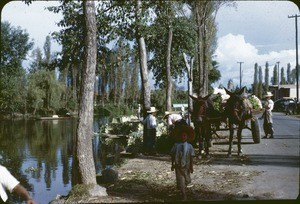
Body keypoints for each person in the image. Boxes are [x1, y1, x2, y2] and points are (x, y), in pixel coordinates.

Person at [170, 124, 195, 201]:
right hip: (178, 166)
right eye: (182, 135)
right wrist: (172, 164)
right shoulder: (176, 145)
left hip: (186, 166)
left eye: (185, 136)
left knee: (187, 180)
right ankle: (184, 195)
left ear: (187, 137)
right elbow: (172, 155)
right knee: (181, 181)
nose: (183, 137)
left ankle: (187, 191)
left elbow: (191, 157)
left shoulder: (190, 146)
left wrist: (191, 166)